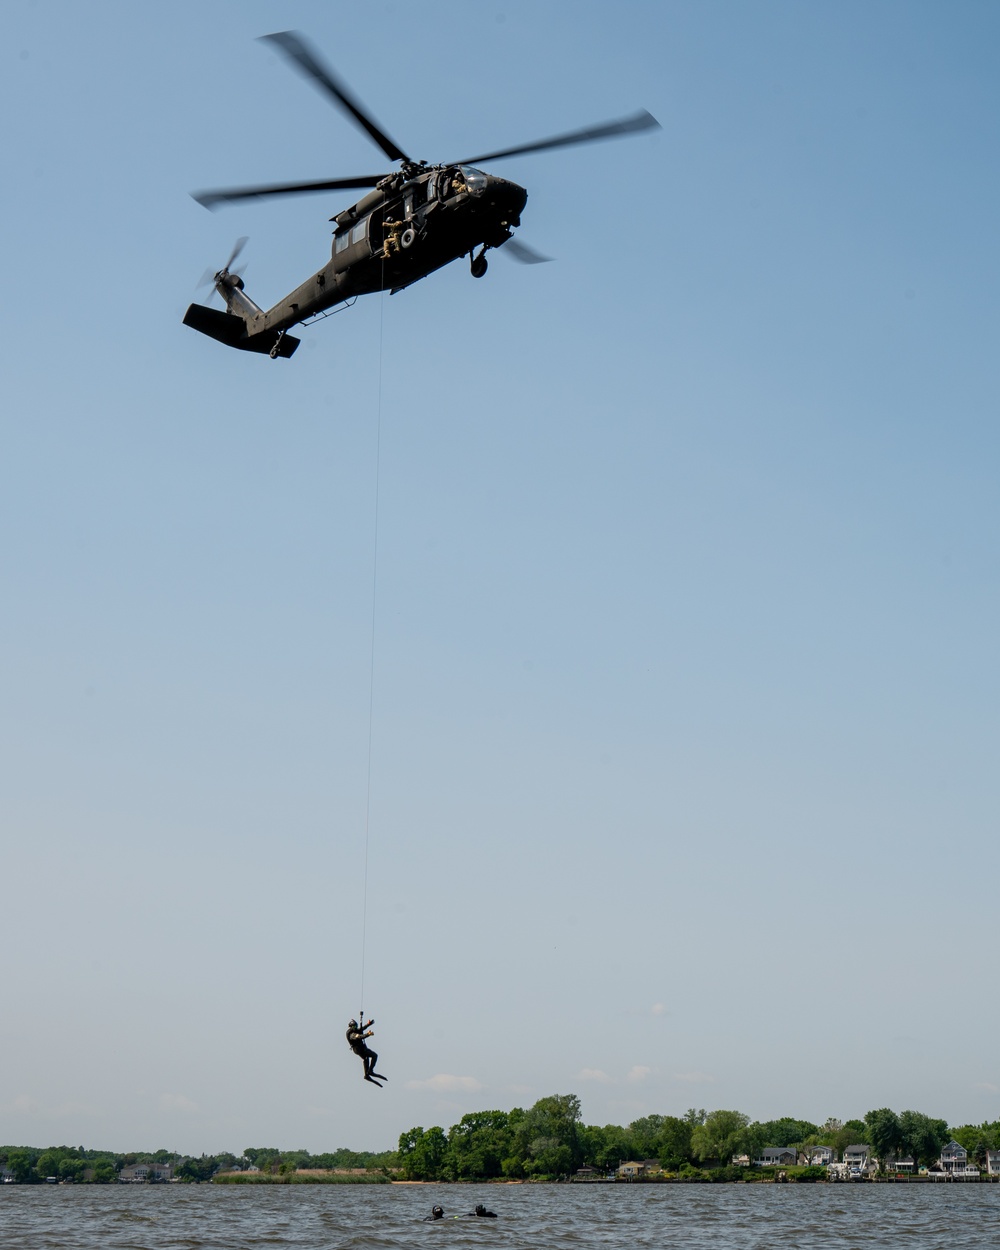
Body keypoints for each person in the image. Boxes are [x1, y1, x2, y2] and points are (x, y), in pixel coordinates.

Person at [346, 1017, 387, 1086]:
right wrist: (368, 1034)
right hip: (359, 1049)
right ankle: (370, 1071)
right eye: (354, 1026)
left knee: (366, 1058)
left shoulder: (354, 1030)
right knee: (374, 1055)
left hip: (359, 1049)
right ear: (350, 1027)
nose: (355, 1027)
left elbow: (361, 1029)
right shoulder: (351, 1034)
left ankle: (366, 1075)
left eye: (356, 1026)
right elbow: (359, 1036)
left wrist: (368, 1024)